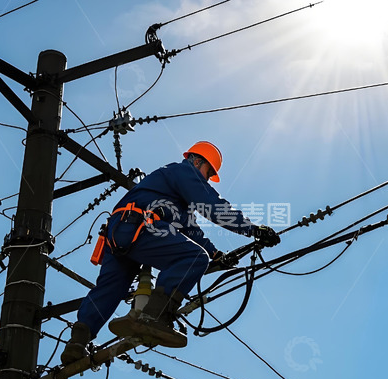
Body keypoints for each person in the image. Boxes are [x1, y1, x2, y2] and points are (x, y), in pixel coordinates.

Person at [61, 141, 280, 364]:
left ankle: (77, 343)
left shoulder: (171, 195)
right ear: (197, 161)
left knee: (110, 288)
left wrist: (216, 256)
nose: (205, 179)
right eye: (208, 172)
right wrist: (252, 228)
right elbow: (211, 204)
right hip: (141, 226)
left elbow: (191, 231)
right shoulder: (183, 171)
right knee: (194, 258)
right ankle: (155, 316)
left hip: (119, 234)